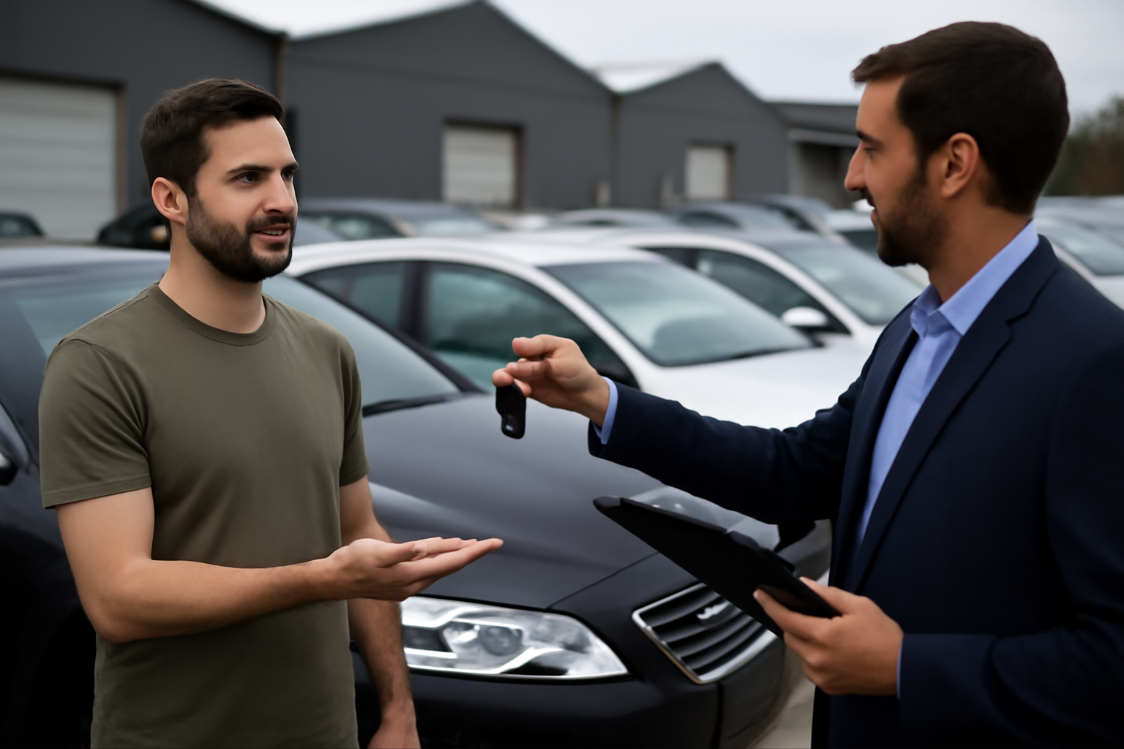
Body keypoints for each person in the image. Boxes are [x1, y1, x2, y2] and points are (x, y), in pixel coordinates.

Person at [494, 22, 1124, 747]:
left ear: (954, 164)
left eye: (872, 147)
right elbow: (792, 471)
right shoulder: (915, 330)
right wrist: (602, 400)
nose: (853, 176)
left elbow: (1112, 660)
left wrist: (905, 665)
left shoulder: (1095, 363)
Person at [38, 78, 501, 749]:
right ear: (170, 199)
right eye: (248, 177)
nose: (281, 200)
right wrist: (321, 579)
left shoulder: (326, 349)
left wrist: (398, 709)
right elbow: (119, 597)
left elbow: (357, 530)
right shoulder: (99, 365)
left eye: (287, 175)